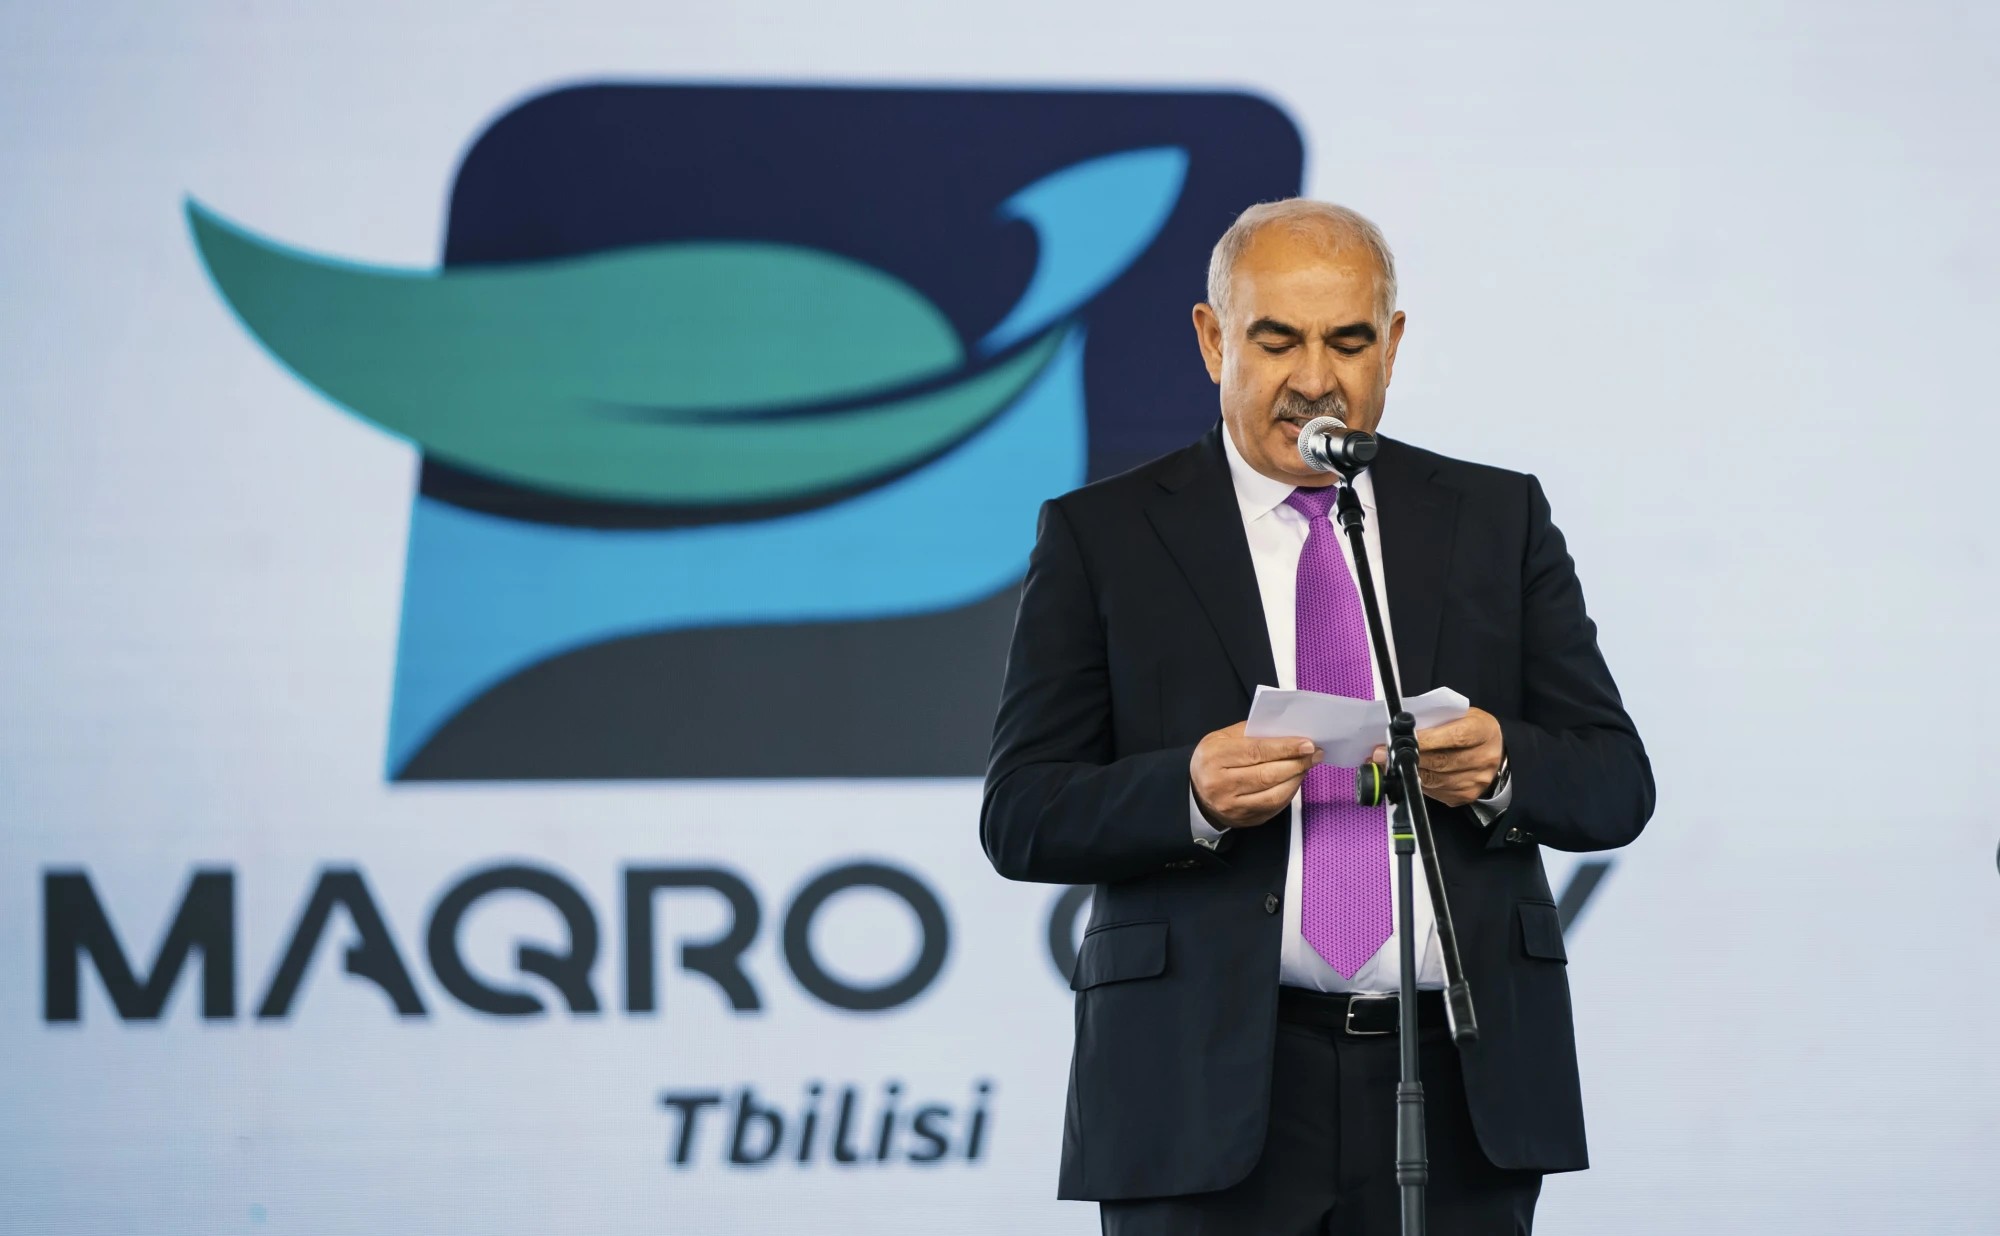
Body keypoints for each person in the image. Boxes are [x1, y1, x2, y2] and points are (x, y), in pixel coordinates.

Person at [980, 198, 1653, 1234]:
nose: (1314, 379)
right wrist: (1187, 794)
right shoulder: (1101, 537)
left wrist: (1501, 767)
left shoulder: (1495, 518)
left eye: (1347, 341)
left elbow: (1614, 783)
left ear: (1392, 343)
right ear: (1213, 341)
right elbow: (1022, 813)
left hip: (1456, 1087)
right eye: (1275, 339)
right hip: (1197, 1092)